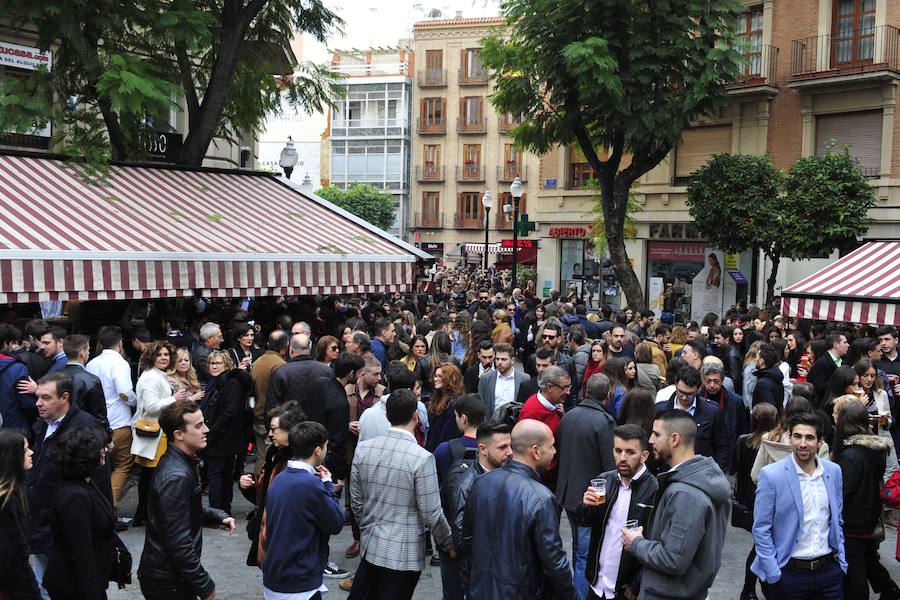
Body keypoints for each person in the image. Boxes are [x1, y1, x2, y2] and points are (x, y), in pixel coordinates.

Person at [349, 388, 454, 600]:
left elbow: (356, 501)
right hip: (404, 554)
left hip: (371, 545)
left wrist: (367, 526)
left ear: (387, 416)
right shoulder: (422, 458)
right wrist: (449, 543)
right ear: (416, 416)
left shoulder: (364, 449)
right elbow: (432, 513)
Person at [622, 410, 731, 600]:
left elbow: (674, 559)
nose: (650, 440)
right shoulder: (697, 482)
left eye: (656, 434)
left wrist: (636, 543)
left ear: (674, 439)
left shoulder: (685, 494)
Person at [462, 419, 575, 599]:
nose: (555, 452)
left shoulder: (482, 482)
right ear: (536, 451)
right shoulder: (541, 498)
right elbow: (554, 563)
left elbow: (467, 542)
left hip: (480, 590)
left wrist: (469, 585)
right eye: (552, 446)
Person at [138, 400, 236, 600]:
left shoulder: (183, 461)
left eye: (204, 423)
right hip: (168, 582)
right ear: (179, 435)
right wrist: (204, 586)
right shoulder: (177, 475)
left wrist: (217, 516)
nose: (206, 429)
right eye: (199, 426)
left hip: (169, 577)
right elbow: (178, 542)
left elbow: (179, 513)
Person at [27, 373, 112, 599]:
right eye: (37, 397)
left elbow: (98, 481)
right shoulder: (44, 424)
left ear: (64, 398)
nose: (38, 403)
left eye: (45, 398)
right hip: (44, 524)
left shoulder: (84, 428)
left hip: (66, 526)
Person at [751, 412, 847, 599]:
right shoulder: (772, 475)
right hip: (788, 574)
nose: (803, 443)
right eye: (797, 436)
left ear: (820, 442)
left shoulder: (833, 472)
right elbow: (761, 528)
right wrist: (773, 573)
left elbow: (838, 519)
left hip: (829, 573)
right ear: (790, 438)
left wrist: (841, 563)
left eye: (809, 438)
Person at [260, 421, 344, 600]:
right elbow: (336, 522)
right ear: (318, 450)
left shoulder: (279, 479)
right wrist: (328, 484)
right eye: (326, 446)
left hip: (274, 577)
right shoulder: (310, 484)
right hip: (299, 582)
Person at [576, 424, 659, 600]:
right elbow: (583, 522)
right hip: (596, 585)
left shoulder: (656, 491)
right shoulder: (604, 480)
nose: (622, 458)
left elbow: (657, 542)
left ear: (644, 455)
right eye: (618, 450)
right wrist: (585, 506)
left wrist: (637, 584)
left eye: (630, 452)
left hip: (625, 590)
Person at [556, 373, 617, 600]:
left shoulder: (569, 416)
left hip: (568, 494)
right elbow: (610, 467)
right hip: (591, 499)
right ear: (608, 395)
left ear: (587, 391)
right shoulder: (604, 422)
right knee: (585, 554)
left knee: (578, 550)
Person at [831, 401, 900, 600]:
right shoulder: (873, 450)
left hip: (853, 522)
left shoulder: (851, 455)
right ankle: (890, 592)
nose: (834, 418)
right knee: (868, 562)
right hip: (868, 518)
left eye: (837, 415)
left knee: (855, 575)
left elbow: (844, 493)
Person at [439, 421, 512, 600]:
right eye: (502, 447)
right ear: (483, 449)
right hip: (479, 573)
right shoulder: (467, 485)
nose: (510, 452)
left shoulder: (505, 473)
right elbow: (462, 538)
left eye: (510, 446)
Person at [44, 425, 115, 600]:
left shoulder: (85, 484)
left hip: (86, 582)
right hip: (74, 588)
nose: (105, 450)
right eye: (101, 447)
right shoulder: (75, 496)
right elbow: (81, 554)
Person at [239, 402, 306, 568]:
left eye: (274, 429)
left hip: (285, 538)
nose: (270, 434)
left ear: (291, 431)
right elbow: (265, 491)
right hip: (269, 533)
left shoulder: (299, 461)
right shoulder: (274, 453)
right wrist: (250, 482)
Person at [131, 341, 189, 526]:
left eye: (166, 354)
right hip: (153, 434)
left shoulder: (158, 375)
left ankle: (145, 514)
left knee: (151, 476)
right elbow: (151, 406)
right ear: (151, 357)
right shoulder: (150, 378)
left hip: (158, 433)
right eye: (159, 354)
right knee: (151, 476)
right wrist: (174, 398)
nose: (164, 357)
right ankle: (147, 514)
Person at [85, 325, 137, 511]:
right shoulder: (120, 363)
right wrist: (136, 401)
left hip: (97, 423)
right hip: (118, 422)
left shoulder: (91, 363)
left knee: (101, 467)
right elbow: (124, 393)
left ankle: (101, 504)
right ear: (120, 343)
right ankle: (110, 504)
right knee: (124, 464)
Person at [733, 402, 779, 600]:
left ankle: (751, 588)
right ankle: (755, 587)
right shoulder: (775, 446)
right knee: (762, 545)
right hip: (763, 499)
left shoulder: (744, 441)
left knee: (761, 544)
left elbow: (736, 468)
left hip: (749, 498)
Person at [305, 352, 365, 497]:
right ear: (351, 373)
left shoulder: (319, 383)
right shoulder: (340, 402)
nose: (360, 376)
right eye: (359, 373)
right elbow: (338, 442)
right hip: (325, 461)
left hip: (306, 449)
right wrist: (338, 475)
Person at [656, 366, 729, 472]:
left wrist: (715, 473)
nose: (684, 397)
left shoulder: (711, 411)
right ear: (675, 385)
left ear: (698, 389)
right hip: (666, 473)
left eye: (690, 394)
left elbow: (722, 446)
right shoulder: (660, 410)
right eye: (681, 392)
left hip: (700, 473)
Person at [0, 429, 41, 599]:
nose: (31, 453)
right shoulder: (7, 503)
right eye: (25, 450)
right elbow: (13, 561)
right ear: (12, 457)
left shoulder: (12, 494)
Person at [517, 366, 570, 490]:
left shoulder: (555, 406)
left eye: (569, 387)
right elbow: (526, 451)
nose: (568, 392)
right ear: (550, 387)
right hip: (541, 480)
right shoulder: (531, 412)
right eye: (564, 388)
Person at [250, 330, 288, 475]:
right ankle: (261, 488)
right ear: (285, 345)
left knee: (261, 455)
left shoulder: (258, 362)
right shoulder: (280, 365)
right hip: (270, 418)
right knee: (268, 459)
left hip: (258, 415)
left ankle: (258, 486)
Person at [266, 334, 332, 410]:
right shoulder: (327, 370)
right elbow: (332, 401)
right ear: (310, 349)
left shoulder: (281, 372)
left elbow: (272, 406)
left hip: (290, 419)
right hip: (319, 420)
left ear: (291, 350)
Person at [59, 335, 109, 434]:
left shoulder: (54, 377)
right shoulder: (90, 379)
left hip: (59, 432)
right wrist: (107, 437)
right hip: (84, 434)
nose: (89, 353)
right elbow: (99, 414)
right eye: (88, 350)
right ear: (82, 353)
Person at [700, 362, 748, 462]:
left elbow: (743, 430)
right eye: (708, 381)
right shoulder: (697, 400)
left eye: (716, 381)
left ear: (722, 381)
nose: (712, 385)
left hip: (728, 455)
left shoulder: (736, 401)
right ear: (703, 381)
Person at [433, 393, 485, 482]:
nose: (456, 419)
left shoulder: (445, 449)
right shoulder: (492, 448)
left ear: (464, 418)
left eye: (456, 416)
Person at [477, 343, 529, 416]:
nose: (499, 362)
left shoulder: (524, 378)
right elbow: (481, 404)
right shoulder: (486, 378)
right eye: (497, 359)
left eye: (504, 359)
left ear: (512, 360)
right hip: (492, 423)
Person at [425, 363, 465, 453]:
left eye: (440, 376)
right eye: (435, 376)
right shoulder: (436, 397)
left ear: (450, 378)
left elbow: (447, 434)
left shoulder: (454, 403)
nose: (435, 379)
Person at [808, 333, 849, 401]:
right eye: (845, 342)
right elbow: (818, 387)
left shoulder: (843, 361)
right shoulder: (822, 362)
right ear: (835, 345)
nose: (848, 345)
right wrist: (838, 382)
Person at [712, 325, 744, 395]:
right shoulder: (724, 350)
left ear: (726, 339)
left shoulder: (732, 354)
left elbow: (734, 379)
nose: (715, 341)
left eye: (718, 338)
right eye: (714, 338)